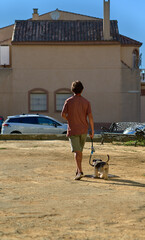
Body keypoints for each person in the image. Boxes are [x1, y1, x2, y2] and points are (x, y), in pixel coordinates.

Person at [61, 81, 94, 180]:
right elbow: (90, 117)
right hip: (83, 130)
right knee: (79, 151)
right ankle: (78, 170)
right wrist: (92, 131)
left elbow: (63, 114)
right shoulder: (86, 102)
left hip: (73, 129)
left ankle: (80, 172)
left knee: (77, 152)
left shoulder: (68, 101)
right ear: (82, 90)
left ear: (72, 90)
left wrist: (69, 119)